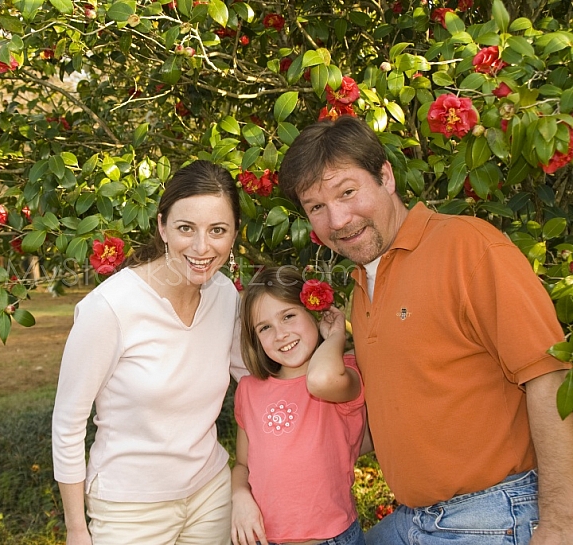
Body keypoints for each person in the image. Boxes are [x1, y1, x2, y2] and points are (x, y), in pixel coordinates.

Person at [277, 115, 573, 545]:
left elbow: (551, 379)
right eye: (316, 207)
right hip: (416, 519)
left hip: (493, 514)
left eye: (347, 192)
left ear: (386, 176)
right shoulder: (361, 284)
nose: (337, 220)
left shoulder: (469, 247)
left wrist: (562, 525)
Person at [52, 159, 248, 545]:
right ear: (162, 226)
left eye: (218, 230)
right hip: (129, 509)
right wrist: (76, 529)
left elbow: (255, 384)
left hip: (211, 495)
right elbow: (68, 424)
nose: (202, 247)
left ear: (234, 234)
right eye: (186, 228)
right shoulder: (109, 308)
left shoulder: (225, 294)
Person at [231, 266, 366, 545]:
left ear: (315, 313)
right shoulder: (249, 390)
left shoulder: (341, 376)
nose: (280, 334)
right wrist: (239, 495)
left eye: (288, 316)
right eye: (265, 327)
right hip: (264, 539)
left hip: (333, 539)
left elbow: (322, 378)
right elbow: (243, 464)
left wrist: (335, 336)